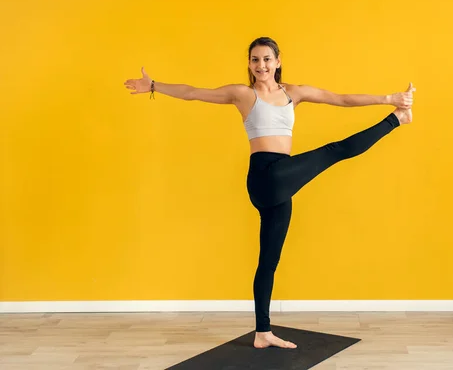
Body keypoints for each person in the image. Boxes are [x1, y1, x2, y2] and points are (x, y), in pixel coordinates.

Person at [124, 36, 415, 349]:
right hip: (266, 177)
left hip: (282, 182)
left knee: (268, 262)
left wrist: (390, 95)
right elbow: (194, 93)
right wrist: (153, 85)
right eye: (254, 59)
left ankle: (262, 332)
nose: (260, 65)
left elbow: (342, 99)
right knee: (335, 150)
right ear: (249, 64)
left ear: (277, 62)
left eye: (266, 59)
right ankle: (398, 118)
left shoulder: (295, 93)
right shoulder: (243, 94)